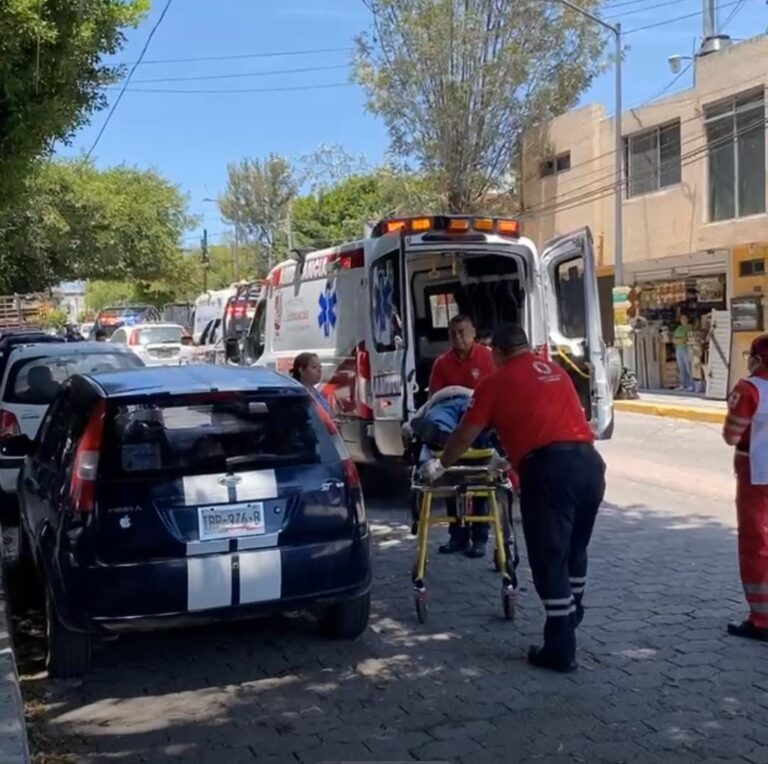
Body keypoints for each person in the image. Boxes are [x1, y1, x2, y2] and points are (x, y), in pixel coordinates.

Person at [420, 324, 605, 673]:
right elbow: (554, 420)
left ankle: (560, 647)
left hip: (550, 472)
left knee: (549, 558)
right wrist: (513, 456)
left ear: (498, 353)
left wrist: (440, 465)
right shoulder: (556, 371)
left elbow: (465, 434)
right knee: (574, 550)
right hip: (589, 466)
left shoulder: (495, 382)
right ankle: (573, 611)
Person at [429, 314, 496, 558]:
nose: (457, 338)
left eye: (462, 332)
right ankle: (457, 536)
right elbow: (436, 397)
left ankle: (479, 538)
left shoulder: (487, 357)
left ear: (473, 333)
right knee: (451, 482)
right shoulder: (441, 363)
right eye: (453, 334)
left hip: (477, 418)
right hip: (450, 413)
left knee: (477, 482)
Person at [722, 334, 768, 642]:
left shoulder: (749, 388)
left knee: (757, 544)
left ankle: (761, 619)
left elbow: (732, 435)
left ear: (758, 358)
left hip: (758, 472)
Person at [673, 314, 693, 392]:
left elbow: (689, 339)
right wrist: (681, 340)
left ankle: (691, 385)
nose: (683, 320)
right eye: (682, 319)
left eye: (685, 318)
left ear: (687, 319)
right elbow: (674, 339)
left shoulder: (689, 328)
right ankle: (682, 385)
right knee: (681, 368)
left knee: (688, 367)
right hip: (679, 349)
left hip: (686, 349)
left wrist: (680, 340)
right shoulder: (679, 328)